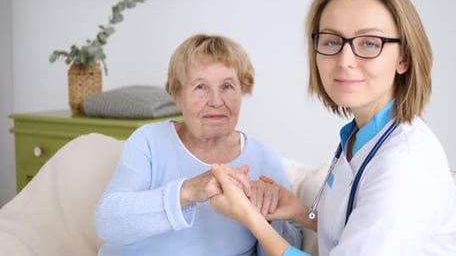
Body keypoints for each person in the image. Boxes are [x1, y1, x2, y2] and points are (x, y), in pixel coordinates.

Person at [209, 0, 456, 255]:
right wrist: (299, 212)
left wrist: (251, 219)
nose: (345, 61)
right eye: (332, 42)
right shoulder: (359, 135)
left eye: (369, 43)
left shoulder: (404, 166)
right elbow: (357, 225)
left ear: (403, 58)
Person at [95, 33, 302, 255]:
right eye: (201, 87)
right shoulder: (148, 141)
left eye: (227, 86)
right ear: (177, 94)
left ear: (243, 91)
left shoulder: (264, 159)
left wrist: (267, 217)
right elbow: (108, 221)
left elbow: (291, 246)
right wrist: (188, 191)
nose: (215, 101)